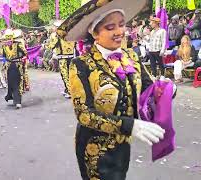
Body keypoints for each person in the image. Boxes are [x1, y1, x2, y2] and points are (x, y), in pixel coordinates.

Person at [57, 0, 166, 179]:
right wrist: (130, 125)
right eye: (110, 27)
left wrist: (166, 91)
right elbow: (84, 115)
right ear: (95, 34)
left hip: (123, 144)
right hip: (95, 148)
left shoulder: (132, 56)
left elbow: (149, 90)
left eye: (122, 25)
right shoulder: (81, 64)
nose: (119, 32)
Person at [1, 29, 28, 109]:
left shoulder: (18, 45)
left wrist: (23, 58)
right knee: (11, 83)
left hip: (17, 65)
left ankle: (18, 101)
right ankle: (13, 98)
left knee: (18, 83)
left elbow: (25, 53)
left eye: (9, 38)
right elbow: (4, 56)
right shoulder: (4, 47)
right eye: (6, 38)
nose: (8, 40)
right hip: (9, 66)